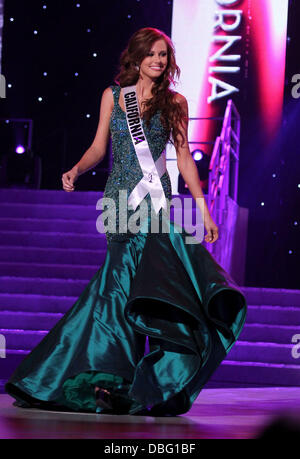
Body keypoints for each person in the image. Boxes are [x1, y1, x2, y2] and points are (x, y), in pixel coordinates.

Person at [5, 27, 247, 416]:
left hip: (156, 206)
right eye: (150, 54)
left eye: (163, 55)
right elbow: (100, 146)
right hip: (119, 203)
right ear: (135, 58)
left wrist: (202, 209)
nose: (157, 60)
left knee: (143, 291)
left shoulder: (176, 102)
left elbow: (183, 158)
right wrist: (76, 169)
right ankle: (111, 381)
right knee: (118, 290)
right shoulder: (113, 97)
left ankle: (130, 382)